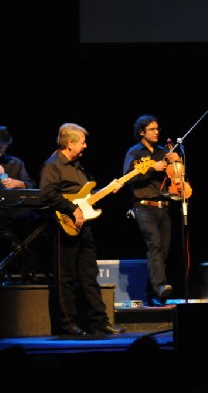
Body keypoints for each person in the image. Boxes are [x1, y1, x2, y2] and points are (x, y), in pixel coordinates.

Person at [39, 123, 125, 336]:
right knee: (65, 278)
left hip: (84, 227)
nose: (86, 146)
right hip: (64, 227)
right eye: (82, 142)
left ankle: (99, 322)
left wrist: (108, 189)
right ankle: (68, 326)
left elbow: (86, 196)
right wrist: (72, 209)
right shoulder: (53, 165)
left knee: (89, 275)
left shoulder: (78, 167)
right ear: (70, 143)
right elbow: (47, 194)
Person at [123, 114, 182, 307]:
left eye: (157, 129)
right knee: (154, 244)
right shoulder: (135, 152)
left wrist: (177, 161)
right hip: (143, 206)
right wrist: (152, 169)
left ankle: (153, 293)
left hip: (164, 206)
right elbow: (128, 178)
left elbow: (177, 176)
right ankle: (161, 288)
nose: (157, 132)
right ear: (142, 132)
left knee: (163, 251)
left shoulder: (163, 151)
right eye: (152, 129)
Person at [0, 125, 45, 282]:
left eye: (4, 144)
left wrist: (18, 183)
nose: (2, 147)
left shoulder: (15, 162)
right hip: (1, 212)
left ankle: (28, 271)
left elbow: (31, 185)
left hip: (16, 210)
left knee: (38, 222)